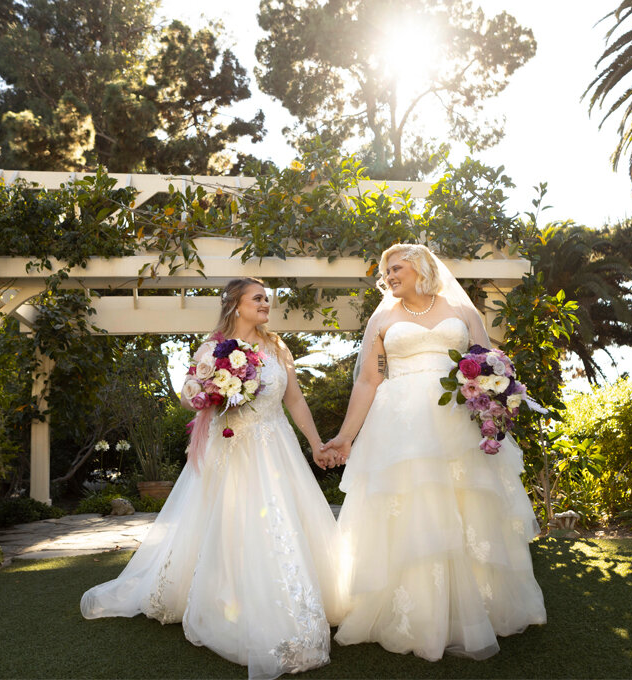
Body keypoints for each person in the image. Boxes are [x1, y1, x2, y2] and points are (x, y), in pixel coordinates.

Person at [81, 278, 344, 679]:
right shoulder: (211, 349)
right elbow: (189, 394)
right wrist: (208, 390)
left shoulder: (277, 347)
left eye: (266, 299)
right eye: (258, 298)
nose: (265, 304)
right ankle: (232, 602)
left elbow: (294, 399)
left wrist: (315, 442)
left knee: (282, 521)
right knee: (233, 525)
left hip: (276, 448)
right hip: (231, 450)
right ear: (236, 305)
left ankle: (298, 597)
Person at [321, 243, 546, 661]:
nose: (389, 275)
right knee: (414, 510)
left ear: (421, 268)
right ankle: (417, 614)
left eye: (397, 267)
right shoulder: (384, 317)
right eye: (386, 271)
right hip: (401, 426)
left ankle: (473, 610)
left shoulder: (462, 313)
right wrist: (346, 437)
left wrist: (495, 406)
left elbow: (491, 363)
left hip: (457, 421)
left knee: (469, 510)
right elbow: (369, 381)